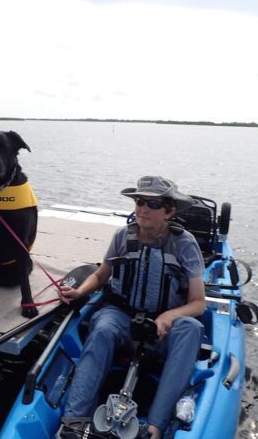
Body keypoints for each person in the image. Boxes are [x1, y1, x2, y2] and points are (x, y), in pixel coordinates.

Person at [59, 176, 206, 439]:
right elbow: (101, 276)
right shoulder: (122, 237)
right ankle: (74, 421)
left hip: (162, 327)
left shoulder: (185, 243)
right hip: (122, 315)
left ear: (169, 211)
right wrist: (79, 291)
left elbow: (198, 302)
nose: (143, 209)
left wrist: (169, 316)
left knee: (191, 328)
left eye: (153, 204)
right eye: (139, 202)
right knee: (102, 328)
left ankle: (155, 427)